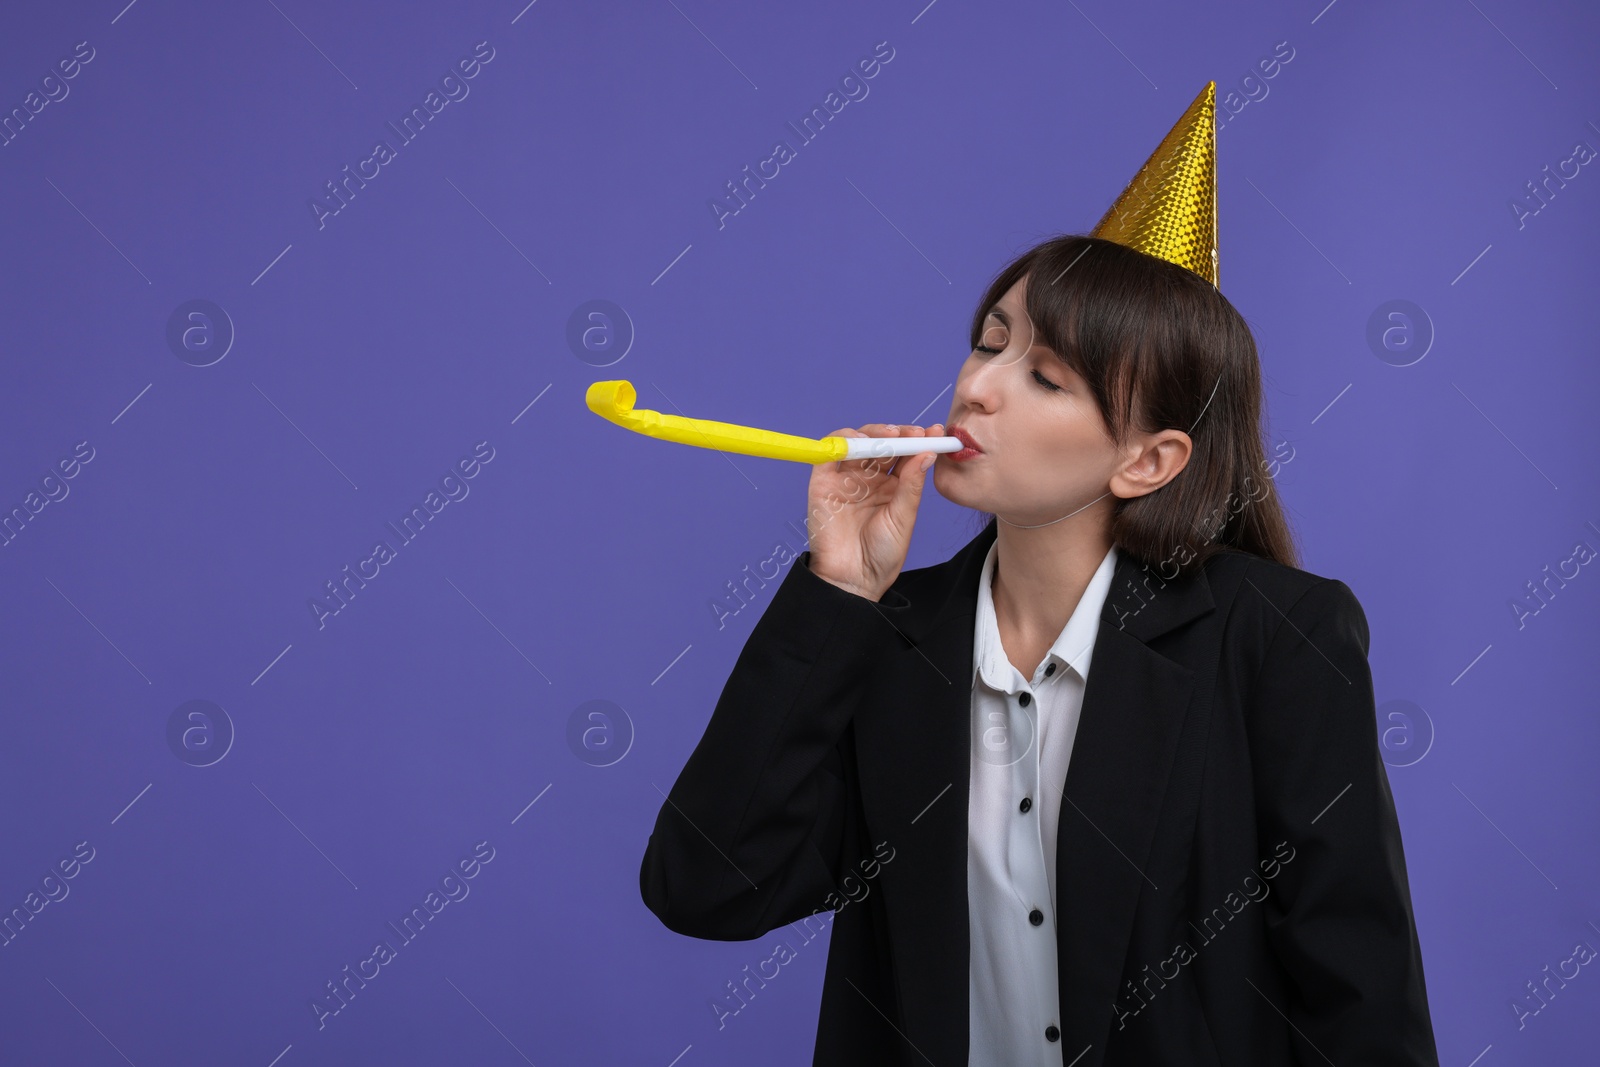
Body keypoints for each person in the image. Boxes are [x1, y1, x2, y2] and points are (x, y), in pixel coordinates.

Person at [641, 86, 1439, 1067]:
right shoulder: (890, 638)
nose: (977, 383)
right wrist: (838, 589)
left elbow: (1358, 992)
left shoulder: (1276, 634)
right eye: (989, 340)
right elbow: (706, 887)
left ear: (1145, 461)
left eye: (1046, 375)